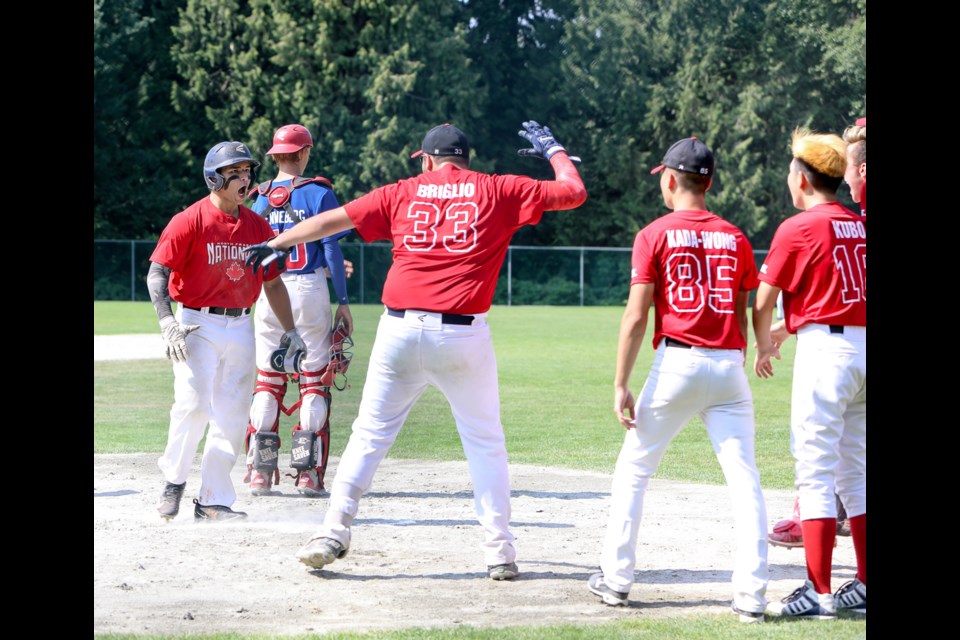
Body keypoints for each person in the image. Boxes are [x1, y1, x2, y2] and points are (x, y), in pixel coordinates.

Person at [244, 121, 587, 580]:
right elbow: (573, 191)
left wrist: (276, 241)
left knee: (369, 435)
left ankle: (333, 530)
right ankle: (499, 552)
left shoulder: (404, 191)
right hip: (464, 335)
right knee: (485, 445)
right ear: (466, 159)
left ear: (426, 160)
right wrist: (554, 150)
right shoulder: (498, 188)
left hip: (400, 331)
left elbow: (335, 219)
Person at [586, 137, 769, 623]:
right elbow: (747, 306)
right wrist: (749, 349)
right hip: (728, 366)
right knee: (744, 479)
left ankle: (617, 579)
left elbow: (636, 314)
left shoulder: (655, 233)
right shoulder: (736, 236)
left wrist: (620, 381)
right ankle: (751, 595)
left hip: (677, 364)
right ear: (708, 181)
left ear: (670, 179)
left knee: (635, 469)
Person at [148, 141, 307, 522]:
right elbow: (158, 273)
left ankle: (214, 500)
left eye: (247, 171)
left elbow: (272, 283)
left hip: (240, 324)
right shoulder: (190, 220)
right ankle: (173, 480)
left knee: (233, 414)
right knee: (193, 401)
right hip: (196, 323)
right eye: (234, 172)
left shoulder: (257, 225)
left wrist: (292, 331)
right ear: (213, 178)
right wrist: (167, 321)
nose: (245, 178)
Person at [753, 128, 866, 618]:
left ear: (801, 180)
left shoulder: (797, 227)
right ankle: (862, 583)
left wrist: (762, 339)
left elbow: (763, 297)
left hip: (828, 354)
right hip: (861, 348)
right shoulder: (859, 223)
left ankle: (818, 592)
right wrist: (789, 326)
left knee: (816, 471)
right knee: (857, 474)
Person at [244, 124, 353, 498]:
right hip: (309, 290)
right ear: (304, 152)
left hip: (270, 293)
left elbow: (254, 257)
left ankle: (260, 471)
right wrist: (343, 300)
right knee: (313, 381)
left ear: (275, 156)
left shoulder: (258, 197)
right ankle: (307, 474)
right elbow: (333, 251)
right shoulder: (319, 193)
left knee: (267, 382)